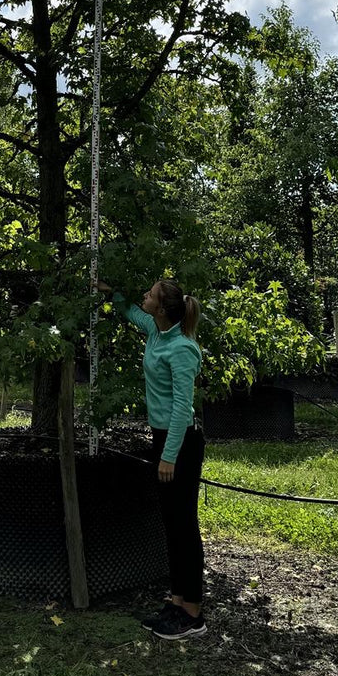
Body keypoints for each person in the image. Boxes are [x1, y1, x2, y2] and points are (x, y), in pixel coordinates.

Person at [100, 275, 206, 641]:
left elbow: (182, 407)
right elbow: (132, 313)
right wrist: (111, 292)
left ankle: (193, 613)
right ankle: (177, 602)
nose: (144, 296)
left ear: (162, 307)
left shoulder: (181, 348)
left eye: (150, 294)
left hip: (182, 442)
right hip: (165, 438)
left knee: (184, 526)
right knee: (171, 523)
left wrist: (169, 456)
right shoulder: (157, 331)